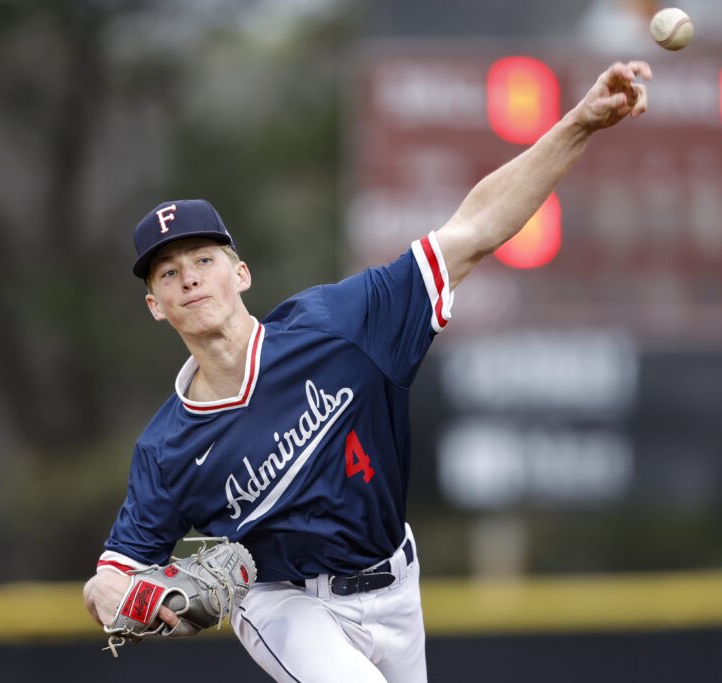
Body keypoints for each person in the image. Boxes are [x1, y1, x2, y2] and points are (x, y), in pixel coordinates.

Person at [83, 60, 651, 682]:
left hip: (396, 583)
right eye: (168, 273)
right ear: (155, 306)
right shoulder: (167, 449)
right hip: (285, 605)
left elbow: (474, 230)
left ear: (240, 273)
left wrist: (580, 122)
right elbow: (110, 578)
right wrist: (127, 597)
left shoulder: (339, 326)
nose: (189, 278)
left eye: (203, 259)